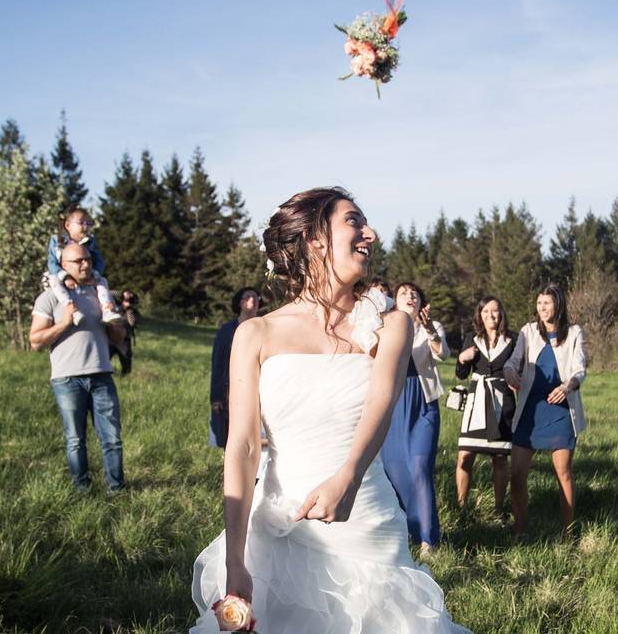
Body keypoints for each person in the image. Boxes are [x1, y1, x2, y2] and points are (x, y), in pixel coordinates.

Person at [190, 187, 470, 633]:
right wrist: (235, 562)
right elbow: (242, 447)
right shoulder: (256, 333)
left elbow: (381, 401)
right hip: (279, 533)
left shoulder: (389, 324)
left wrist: (349, 477)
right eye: (354, 221)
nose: (370, 234)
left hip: (366, 522)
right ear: (315, 240)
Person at [29, 242, 127, 493]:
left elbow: (118, 338)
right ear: (63, 266)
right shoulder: (50, 298)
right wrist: (64, 323)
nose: (86, 264)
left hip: (102, 374)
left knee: (112, 439)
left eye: (88, 260)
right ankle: (81, 488)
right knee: (75, 440)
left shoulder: (100, 294)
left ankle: (116, 489)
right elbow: (35, 342)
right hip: (67, 379)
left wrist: (113, 323)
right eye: (78, 261)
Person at [503, 284, 587, 539]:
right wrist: (509, 371)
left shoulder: (573, 333)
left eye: (547, 303)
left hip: (560, 410)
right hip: (530, 410)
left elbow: (579, 369)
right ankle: (520, 530)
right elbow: (513, 361)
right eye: (539, 304)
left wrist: (568, 386)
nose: (542, 308)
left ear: (558, 305)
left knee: (563, 473)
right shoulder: (528, 331)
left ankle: (568, 531)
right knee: (517, 474)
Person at [380, 281, 449, 556]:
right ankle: (409, 530)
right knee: (396, 472)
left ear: (422, 303)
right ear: (394, 302)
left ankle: (428, 540)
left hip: (423, 405)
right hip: (394, 406)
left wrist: (429, 328)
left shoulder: (431, 327)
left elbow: (442, 354)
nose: (410, 297)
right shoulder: (384, 326)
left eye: (415, 294)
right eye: (404, 293)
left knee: (420, 468)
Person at [454, 296, 515, 518]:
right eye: (486, 311)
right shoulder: (471, 338)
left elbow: (520, 371)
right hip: (476, 401)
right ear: (480, 315)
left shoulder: (513, 339)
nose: (491, 315)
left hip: (503, 402)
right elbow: (460, 374)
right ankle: (462, 508)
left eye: (495, 311)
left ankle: (499, 510)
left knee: (500, 457)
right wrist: (462, 358)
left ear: (502, 314)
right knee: (465, 455)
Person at [46, 206, 121, 327]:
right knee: (53, 280)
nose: (86, 227)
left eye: (89, 223)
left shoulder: (90, 242)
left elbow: (99, 261)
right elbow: (51, 262)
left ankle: (107, 310)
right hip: (62, 276)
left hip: (86, 276)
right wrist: (64, 276)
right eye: (81, 223)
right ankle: (72, 309)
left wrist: (94, 275)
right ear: (68, 225)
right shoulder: (57, 241)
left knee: (102, 281)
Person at [209, 286, 260, 449]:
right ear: (238, 302)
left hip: (258, 388)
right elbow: (218, 363)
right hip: (231, 390)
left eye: (255, 297)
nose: (252, 300)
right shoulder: (226, 331)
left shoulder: (264, 327)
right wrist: (216, 397)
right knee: (230, 434)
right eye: (247, 297)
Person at [109, 290, 139, 375]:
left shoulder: (133, 312)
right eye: (126, 300)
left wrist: (128, 309)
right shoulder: (116, 306)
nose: (127, 301)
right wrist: (122, 294)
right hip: (110, 339)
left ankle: (125, 378)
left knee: (126, 366)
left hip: (124, 342)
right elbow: (107, 292)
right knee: (104, 361)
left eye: (129, 300)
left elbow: (132, 323)